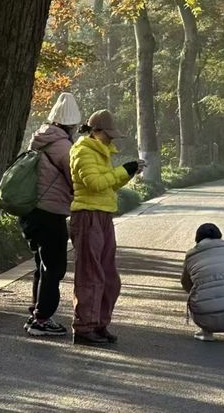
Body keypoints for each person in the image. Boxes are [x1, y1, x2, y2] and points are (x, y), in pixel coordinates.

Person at [69, 109, 144, 346]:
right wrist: (122, 170)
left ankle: (99, 324)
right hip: (87, 215)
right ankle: (84, 327)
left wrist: (128, 172)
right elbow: (94, 183)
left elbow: (107, 187)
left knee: (109, 275)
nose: (111, 139)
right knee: (91, 273)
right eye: (108, 134)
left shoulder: (101, 152)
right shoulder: (83, 151)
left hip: (103, 214)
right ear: (95, 131)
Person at [21, 92, 81, 338]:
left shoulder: (38, 138)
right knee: (53, 268)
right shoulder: (63, 146)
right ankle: (42, 320)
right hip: (50, 213)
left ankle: (36, 312)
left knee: (40, 264)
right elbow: (75, 178)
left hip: (29, 211)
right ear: (72, 124)